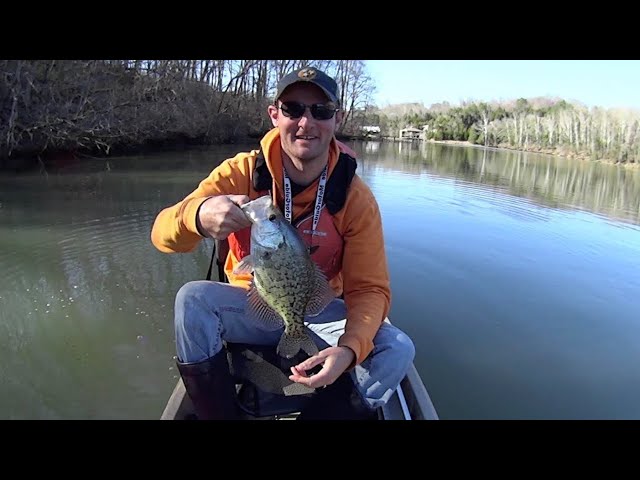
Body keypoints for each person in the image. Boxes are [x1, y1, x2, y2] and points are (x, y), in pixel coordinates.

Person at [151, 66, 415, 420]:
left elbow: (369, 289)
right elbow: (161, 234)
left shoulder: (356, 198)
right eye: (293, 109)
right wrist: (196, 216)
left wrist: (350, 350)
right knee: (192, 300)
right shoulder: (240, 173)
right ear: (274, 114)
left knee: (397, 348)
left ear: (337, 119)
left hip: (319, 312)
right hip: (250, 306)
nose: (306, 123)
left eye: (320, 111)